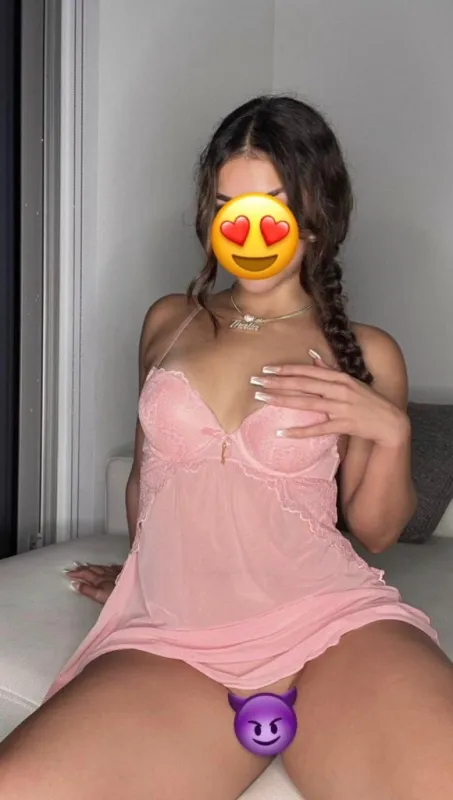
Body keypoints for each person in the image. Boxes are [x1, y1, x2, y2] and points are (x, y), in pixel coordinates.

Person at [1, 95, 453, 800]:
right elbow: (148, 478)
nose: (247, 228)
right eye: (226, 205)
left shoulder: (365, 352)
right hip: (174, 641)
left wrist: (391, 431)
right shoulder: (170, 321)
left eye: (271, 205)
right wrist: (141, 571)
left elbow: (374, 530)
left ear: (315, 212)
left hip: (330, 625)